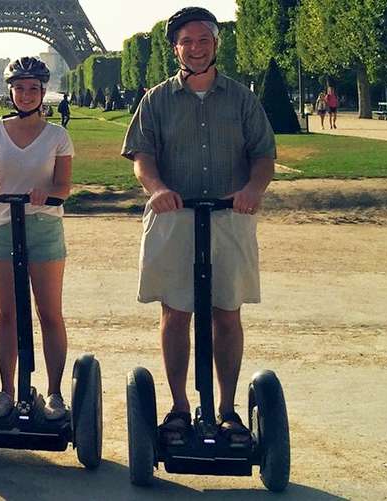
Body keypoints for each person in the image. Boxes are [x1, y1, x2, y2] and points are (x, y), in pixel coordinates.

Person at [121, 7, 275, 448]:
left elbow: (263, 153)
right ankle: (179, 408)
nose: (196, 48)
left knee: (228, 312)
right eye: (187, 41)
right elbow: (142, 156)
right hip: (174, 215)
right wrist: (157, 188)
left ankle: (227, 410)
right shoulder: (155, 99)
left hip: (231, 215)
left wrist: (252, 189)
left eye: (203, 40)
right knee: (175, 312)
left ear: (215, 44)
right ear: (176, 49)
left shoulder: (242, 98)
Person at [0, 56, 74, 421]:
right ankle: (7, 389)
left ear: (43, 92)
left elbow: (64, 185)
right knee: (8, 313)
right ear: (10, 91)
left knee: (49, 312)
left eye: (34, 89)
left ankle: (55, 392)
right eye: (20, 88)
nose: (27, 95)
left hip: (44, 226)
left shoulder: (58, 136)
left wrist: (48, 194)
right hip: (3, 225)